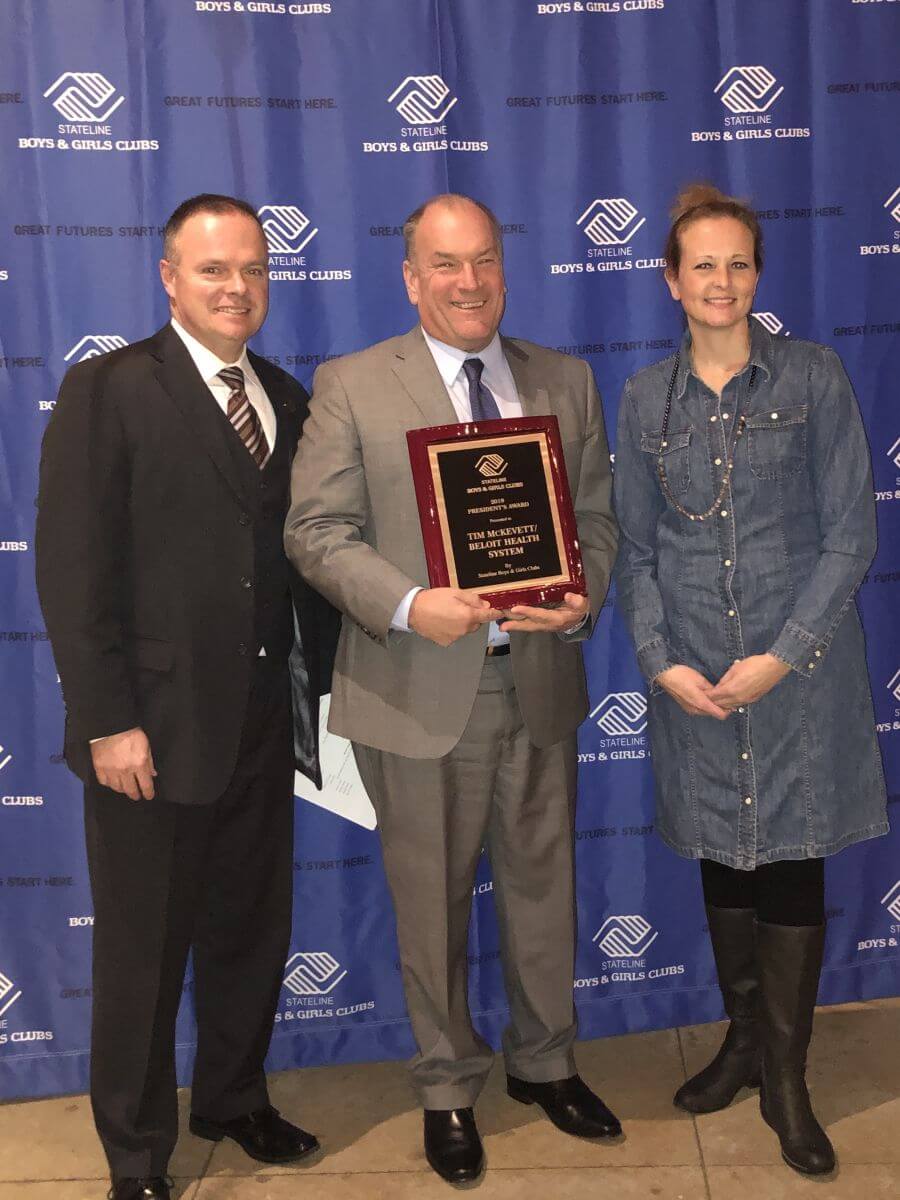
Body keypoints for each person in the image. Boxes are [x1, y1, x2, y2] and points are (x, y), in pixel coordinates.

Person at [285, 193, 620, 1183]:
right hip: (415, 687)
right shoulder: (352, 383)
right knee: (429, 904)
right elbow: (314, 533)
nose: (467, 282)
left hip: (540, 678)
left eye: (483, 259)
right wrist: (405, 603)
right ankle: (445, 1086)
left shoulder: (566, 379)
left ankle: (546, 1063)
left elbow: (595, 521)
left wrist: (581, 594)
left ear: (504, 266)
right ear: (410, 277)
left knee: (541, 892)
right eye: (444, 264)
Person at [35, 194, 339, 1200]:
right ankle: (135, 1154)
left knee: (250, 932)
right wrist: (107, 718)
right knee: (142, 957)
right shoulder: (110, 389)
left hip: (262, 724)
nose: (237, 288)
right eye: (214, 270)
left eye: (252, 269)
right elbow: (74, 572)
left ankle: (233, 1099)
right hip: (149, 734)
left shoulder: (289, 399)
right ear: (170, 277)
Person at [613, 183, 888, 1176]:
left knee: (789, 860)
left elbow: (852, 533)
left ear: (757, 275)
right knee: (723, 855)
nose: (720, 281)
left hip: (797, 679)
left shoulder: (813, 378)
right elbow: (633, 551)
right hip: (691, 679)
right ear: (670, 280)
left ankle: (787, 1075)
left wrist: (781, 656)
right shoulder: (646, 398)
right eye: (702, 265)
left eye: (737, 264)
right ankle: (741, 1039)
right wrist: (661, 663)